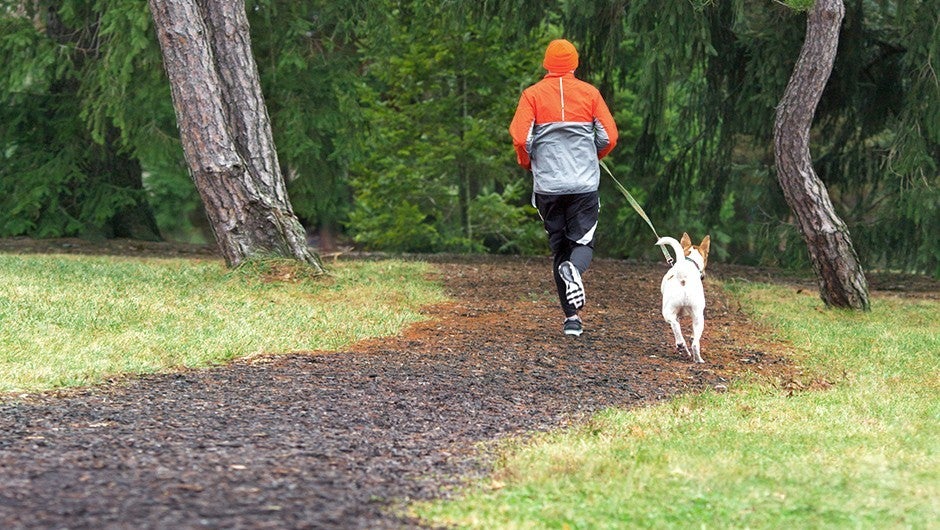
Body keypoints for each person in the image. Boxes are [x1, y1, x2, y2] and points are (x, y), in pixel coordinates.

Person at [509, 38, 618, 336]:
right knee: (582, 243)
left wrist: (528, 161)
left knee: (560, 250)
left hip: (548, 187)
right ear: (574, 64)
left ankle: (572, 319)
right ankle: (576, 272)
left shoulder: (531, 95)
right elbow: (609, 137)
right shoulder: (590, 94)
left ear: (546, 64)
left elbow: (521, 138)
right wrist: (592, 155)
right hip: (583, 185)